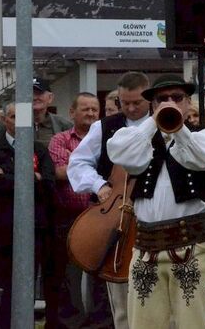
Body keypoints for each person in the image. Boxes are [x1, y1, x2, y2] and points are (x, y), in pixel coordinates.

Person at [107, 74, 205, 328]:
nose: (169, 103)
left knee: (192, 321)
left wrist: (177, 127)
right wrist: (153, 121)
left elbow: (199, 159)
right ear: (152, 104)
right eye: (161, 99)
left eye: (177, 98)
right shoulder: (139, 139)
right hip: (146, 245)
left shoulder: (202, 137)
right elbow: (121, 154)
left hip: (189, 244)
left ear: (188, 103)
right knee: (143, 322)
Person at [68, 71, 151, 329]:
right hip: (116, 217)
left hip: (154, 215)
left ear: (148, 98)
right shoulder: (104, 126)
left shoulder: (163, 124)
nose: (130, 108)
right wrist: (99, 185)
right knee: (120, 299)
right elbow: (78, 162)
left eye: (136, 102)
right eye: (125, 102)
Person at [0, 102, 56, 329]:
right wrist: (32, 177)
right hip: (0, 230)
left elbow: (49, 184)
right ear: (5, 120)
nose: (18, 122)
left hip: (33, 229)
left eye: (22, 117)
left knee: (27, 284)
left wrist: (8, 175)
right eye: (13, 117)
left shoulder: (39, 149)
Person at [48, 93, 113, 328]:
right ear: (72, 112)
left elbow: (79, 169)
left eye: (95, 109)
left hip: (99, 217)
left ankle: (101, 322)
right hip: (68, 218)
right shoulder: (59, 139)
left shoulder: (107, 138)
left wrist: (79, 165)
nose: (91, 113)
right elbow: (59, 172)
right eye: (85, 109)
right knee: (69, 276)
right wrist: (85, 165)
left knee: (101, 273)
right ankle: (72, 323)